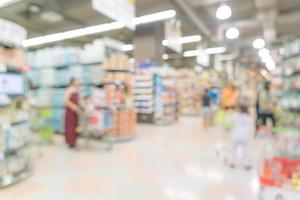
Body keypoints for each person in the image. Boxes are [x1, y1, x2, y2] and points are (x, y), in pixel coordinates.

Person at [227, 104, 254, 170]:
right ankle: (247, 164)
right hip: (245, 136)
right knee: (245, 150)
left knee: (233, 150)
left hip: (236, 136)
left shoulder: (236, 116)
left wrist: (229, 113)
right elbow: (251, 125)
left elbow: (228, 119)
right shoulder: (249, 117)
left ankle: (232, 163)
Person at [64, 78, 81, 148]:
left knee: (75, 126)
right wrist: (73, 106)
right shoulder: (69, 90)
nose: (78, 82)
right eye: (77, 81)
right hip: (70, 111)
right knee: (70, 127)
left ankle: (74, 141)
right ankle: (70, 142)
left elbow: (79, 100)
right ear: (73, 82)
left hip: (76, 111)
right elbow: (65, 100)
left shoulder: (77, 90)